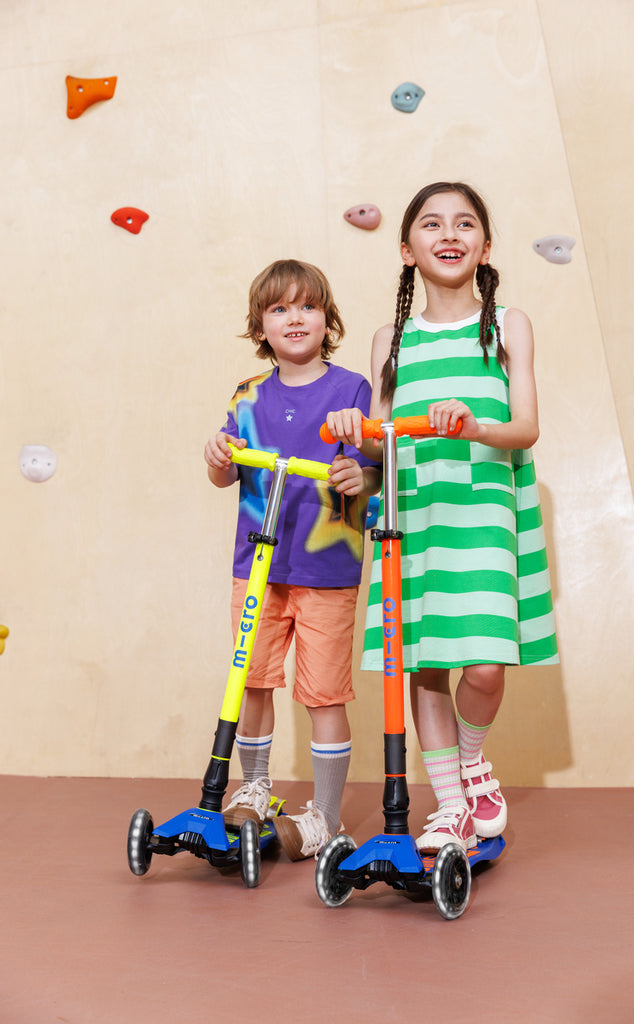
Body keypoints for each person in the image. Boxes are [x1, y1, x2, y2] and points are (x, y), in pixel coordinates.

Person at [325, 182, 558, 853]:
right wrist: (358, 430)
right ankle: (452, 804)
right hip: (415, 511)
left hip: (481, 510)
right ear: (407, 250)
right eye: (431, 224)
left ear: (484, 246)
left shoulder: (507, 325)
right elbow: (381, 439)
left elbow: (525, 427)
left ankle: (473, 763)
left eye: (464, 224)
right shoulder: (390, 339)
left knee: (483, 666)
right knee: (424, 665)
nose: (448, 234)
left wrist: (473, 425)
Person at [204, 259, 381, 861]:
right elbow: (224, 474)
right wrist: (217, 456)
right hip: (256, 565)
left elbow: (372, 470)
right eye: (279, 309)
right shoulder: (248, 394)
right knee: (251, 681)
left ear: (328, 319)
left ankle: (326, 815)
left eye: (307, 306)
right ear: (261, 325)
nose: (295, 318)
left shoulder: (351, 390)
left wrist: (360, 475)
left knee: (323, 693)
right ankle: (255, 786)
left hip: (327, 567)